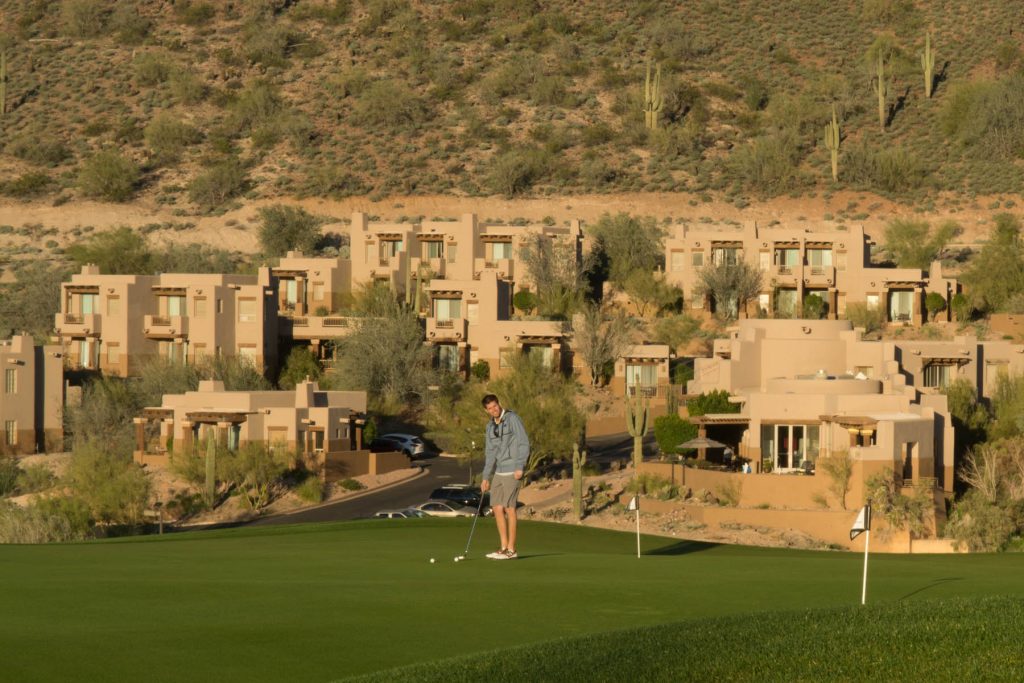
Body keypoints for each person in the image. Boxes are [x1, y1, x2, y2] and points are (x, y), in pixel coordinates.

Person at [480, 393, 530, 560]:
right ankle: (503, 547)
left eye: (495, 406)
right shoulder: (489, 427)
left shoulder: (512, 418)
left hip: (513, 470)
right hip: (499, 472)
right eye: (490, 408)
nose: (494, 410)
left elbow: (524, 442)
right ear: (486, 410)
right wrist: (486, 477)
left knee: (510, 508)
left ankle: (511, 549)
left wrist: (520, 466)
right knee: (496, 507)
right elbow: (490, 452)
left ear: (499, 404)